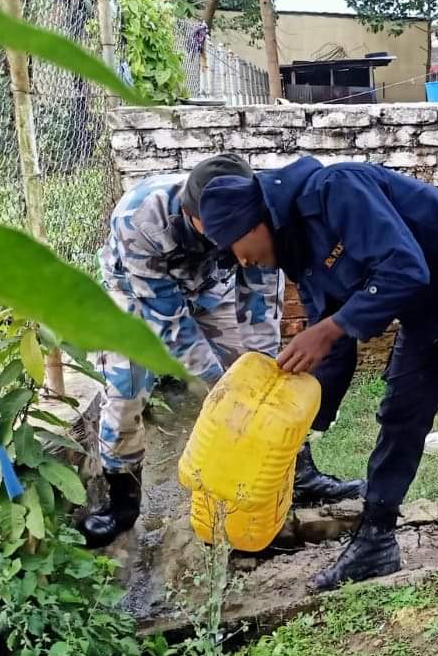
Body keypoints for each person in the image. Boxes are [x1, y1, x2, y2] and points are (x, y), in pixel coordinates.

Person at [197, 157, 438, 647]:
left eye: (238, 249)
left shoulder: (335, 190)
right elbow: (333, 349)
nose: (243, 262)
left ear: (255, 222)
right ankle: (375, 542)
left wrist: (327, 330)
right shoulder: (293, 246)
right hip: (428, 311)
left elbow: (404, 267)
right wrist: (296, 431)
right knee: (400, 418)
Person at [85, 155, 362, 547]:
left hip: (209, 289)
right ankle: (122, 503)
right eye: (217, 230)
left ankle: (298, 475)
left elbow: (261, 304)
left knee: (265, 379)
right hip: (136, 296)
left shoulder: (253, 206)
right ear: (190, 214)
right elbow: (171, 324)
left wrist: (262, 382)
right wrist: (225, 387)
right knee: (125, 393)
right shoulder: (140, 218)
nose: (228, 235)